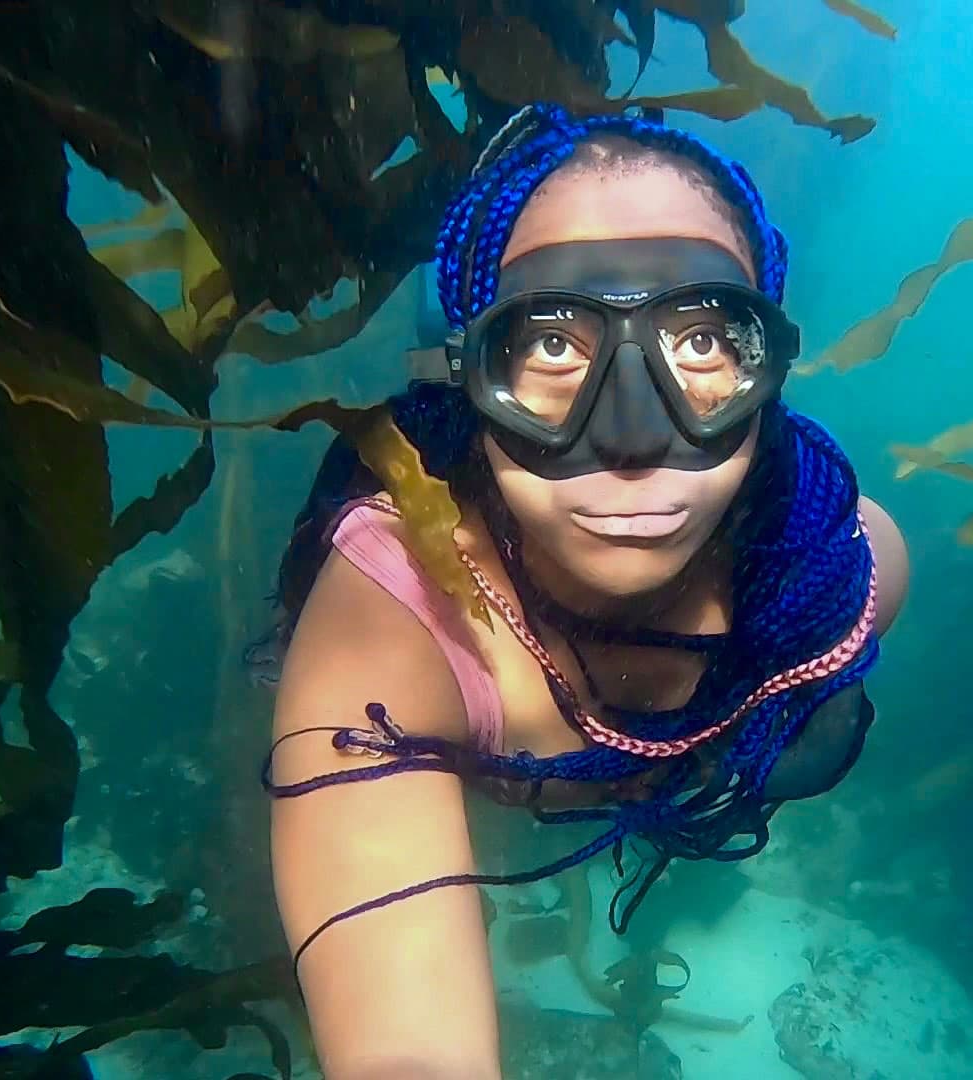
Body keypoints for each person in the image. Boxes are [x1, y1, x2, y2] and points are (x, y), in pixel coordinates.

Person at [263, 103, 910, 1080]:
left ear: (766, 370)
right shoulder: (391, 621)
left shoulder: (844, 573)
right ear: (469, 377)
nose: (633, 440)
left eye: (703, 344)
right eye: (552, 347)